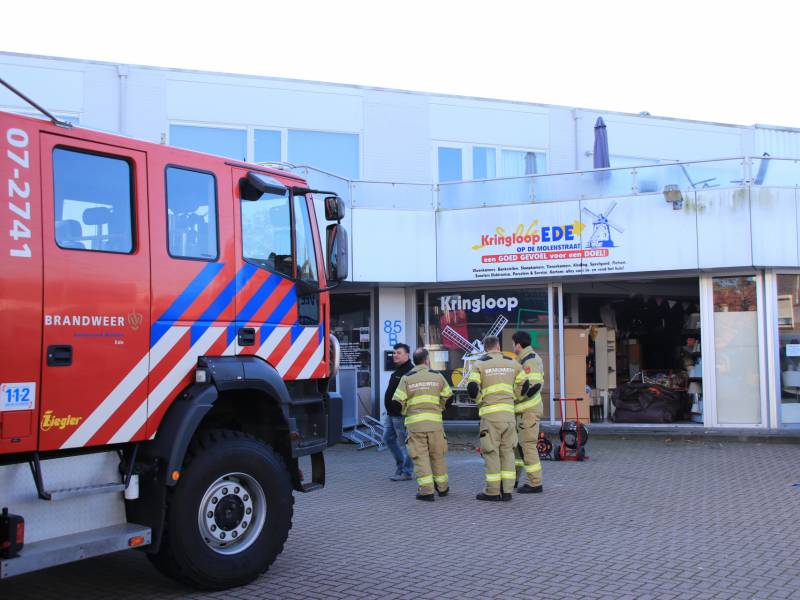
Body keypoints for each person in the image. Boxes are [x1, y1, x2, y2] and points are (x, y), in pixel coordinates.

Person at [466, 335, 526, 502]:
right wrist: (513, 397)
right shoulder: (512, 363)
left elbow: (471, 387)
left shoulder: (480, 364)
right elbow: (525, 384)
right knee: (507, 453)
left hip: (490, 416)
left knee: (491, 452)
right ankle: (507, 491)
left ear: (486, 348)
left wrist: (480, 400)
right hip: (508, 416)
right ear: (499, 346)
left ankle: (492, 491)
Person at [392, 348, 453, 501]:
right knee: (437, 456)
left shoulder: (407, 378)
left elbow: (396, 403)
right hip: (435, 425)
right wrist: (440, 408)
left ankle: (427, 492)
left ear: (415, 360)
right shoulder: (437, 376)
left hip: (415, 426)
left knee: (421, 458)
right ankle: (443, 488)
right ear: (427, 360)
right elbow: (449, 398)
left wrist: (405, 411)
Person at [512, 331, 545, 494]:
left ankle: (534, 483)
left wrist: (514, 398)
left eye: (513, 344)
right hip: (524, 412)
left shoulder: (529, 361)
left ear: (518, 344)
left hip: (528, 412)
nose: (513, 347)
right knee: (518, 449)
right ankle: (514, 479)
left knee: (527, 447)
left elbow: (532, 387)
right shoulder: (527, 359)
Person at [383, 343, 415, 481]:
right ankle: (401, 465)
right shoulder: (398, 371)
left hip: (401, 415)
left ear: (407, 355)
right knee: (388, 438)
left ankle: (406, 472)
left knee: (405, 444)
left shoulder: (409, 371)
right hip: (391, 414)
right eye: (394, 352)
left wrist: (400, 410)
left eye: (399, 353)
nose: (395, 355)